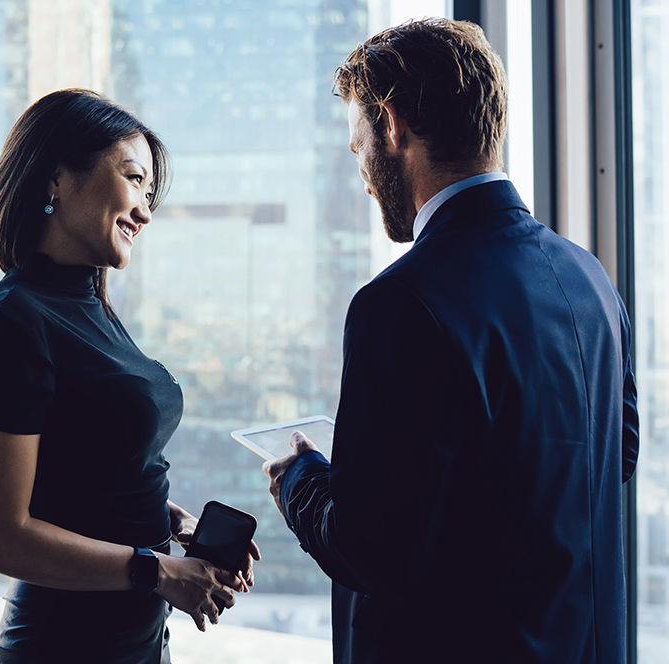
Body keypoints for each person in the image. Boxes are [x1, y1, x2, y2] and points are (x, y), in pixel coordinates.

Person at [263, 18, 639, 664]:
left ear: (392, 124)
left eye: (357, 148)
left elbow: (369, 547)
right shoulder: (589, 279)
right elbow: (614, 454)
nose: (361, 172)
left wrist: (299, 477)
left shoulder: (399, 306)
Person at [0, 89, 259, 664]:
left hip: (138, 648)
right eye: (132, 178)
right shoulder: (12, 320)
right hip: (57, 650)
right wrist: (157, 570)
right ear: (56, 178)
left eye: (150, 192)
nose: (145, 209)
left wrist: (170, 523)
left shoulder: (92, 307)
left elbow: (83, 473)